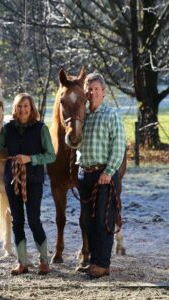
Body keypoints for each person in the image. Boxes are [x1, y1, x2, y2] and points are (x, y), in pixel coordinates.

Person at [0, 93, 56, 275]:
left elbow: (51, 155)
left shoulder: (41, 128)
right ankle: (22, 262)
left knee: (33, 220)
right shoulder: (8, 128)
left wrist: (30, 158)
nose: (22, 109)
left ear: (31, 108)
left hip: (33, 180)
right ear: (15, 109)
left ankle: (44, 261)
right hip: (12, 180)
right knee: (17, 220)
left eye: (26, 106)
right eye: (19, 106)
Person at [69, 72, 126, 278]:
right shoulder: (84, 115)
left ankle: (103, 264)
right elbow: (74, 143)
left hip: (104, 175)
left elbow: (118, 147)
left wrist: (109, 172)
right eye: (89, 89)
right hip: (85, 174)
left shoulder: (111, 115)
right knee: (89, 222)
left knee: (103, 221)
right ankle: (93, 261)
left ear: (103, 92)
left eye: (96, 89)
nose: (92, 92)